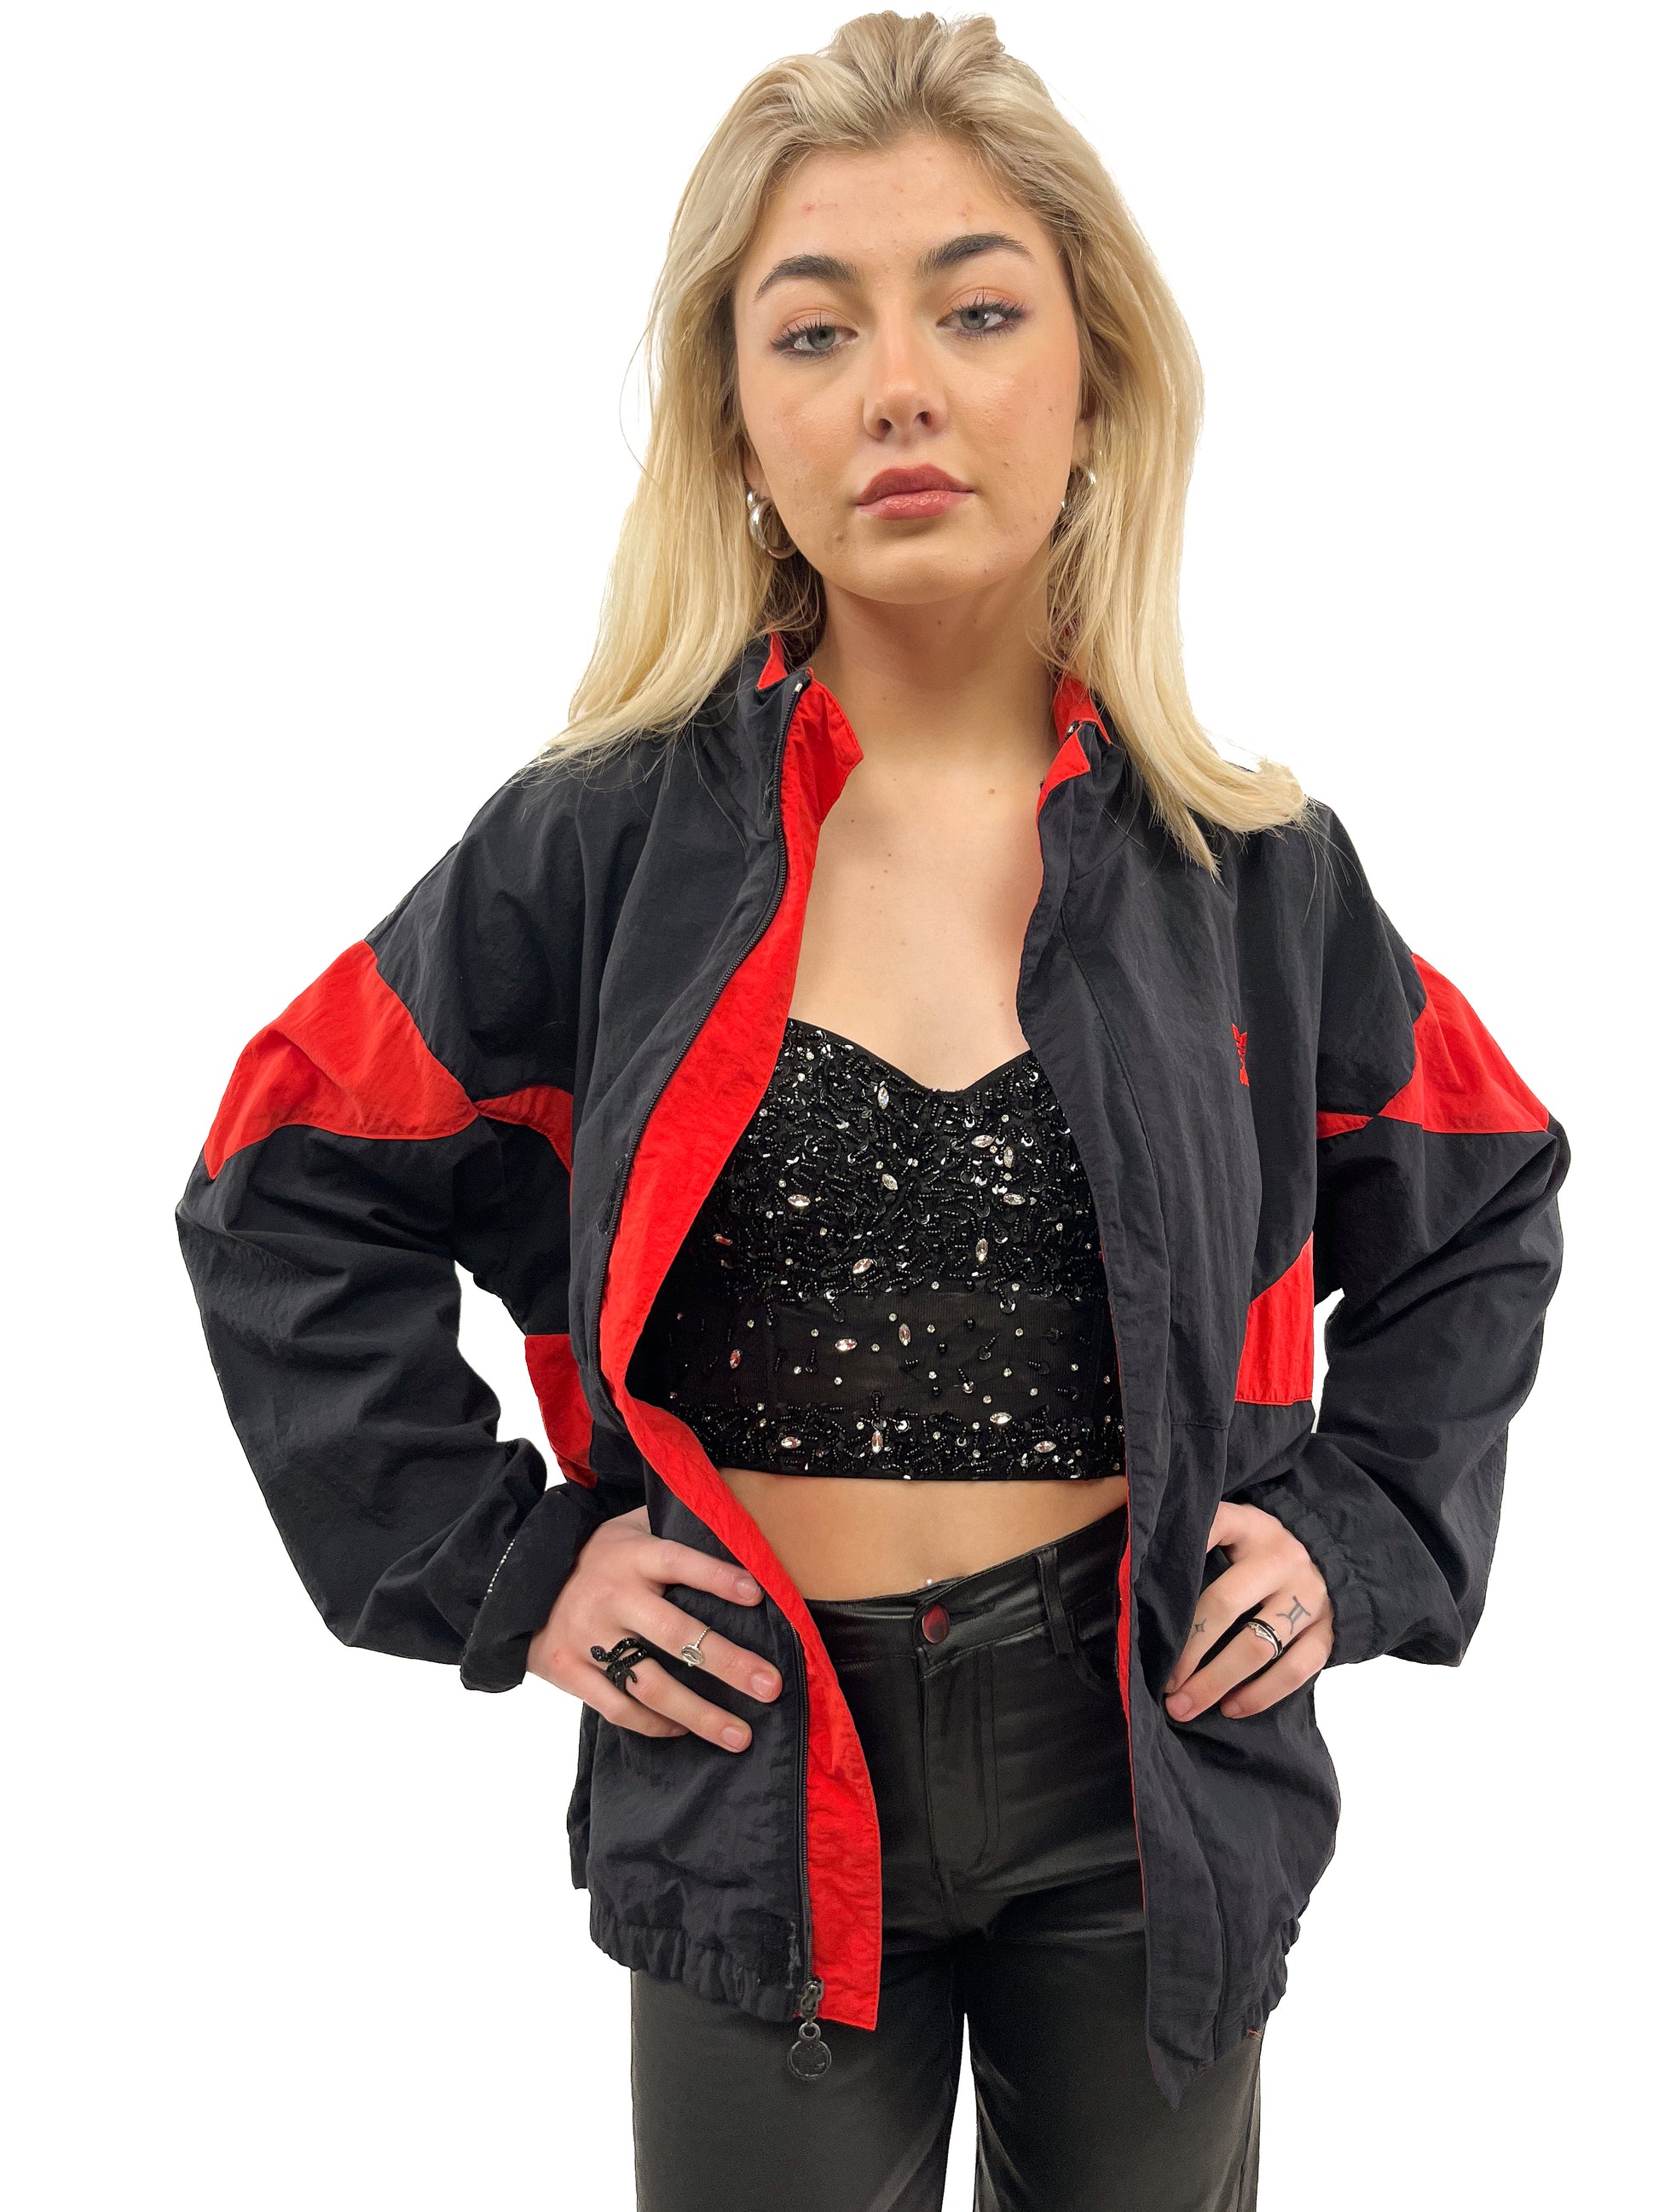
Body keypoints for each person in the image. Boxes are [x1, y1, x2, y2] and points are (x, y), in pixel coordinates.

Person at [176, 14, 1569, 2209]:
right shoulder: (600, 849)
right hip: (747, 1761)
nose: (898, 386)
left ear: (1095, 377)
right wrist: (513, 1564)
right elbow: (281, 1186)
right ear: (741, 424)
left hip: (1147, 1758)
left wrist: (1364, 1532)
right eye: (814, 331)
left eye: (977, 310)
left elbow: (1482, 1201)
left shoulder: (1248, 875)